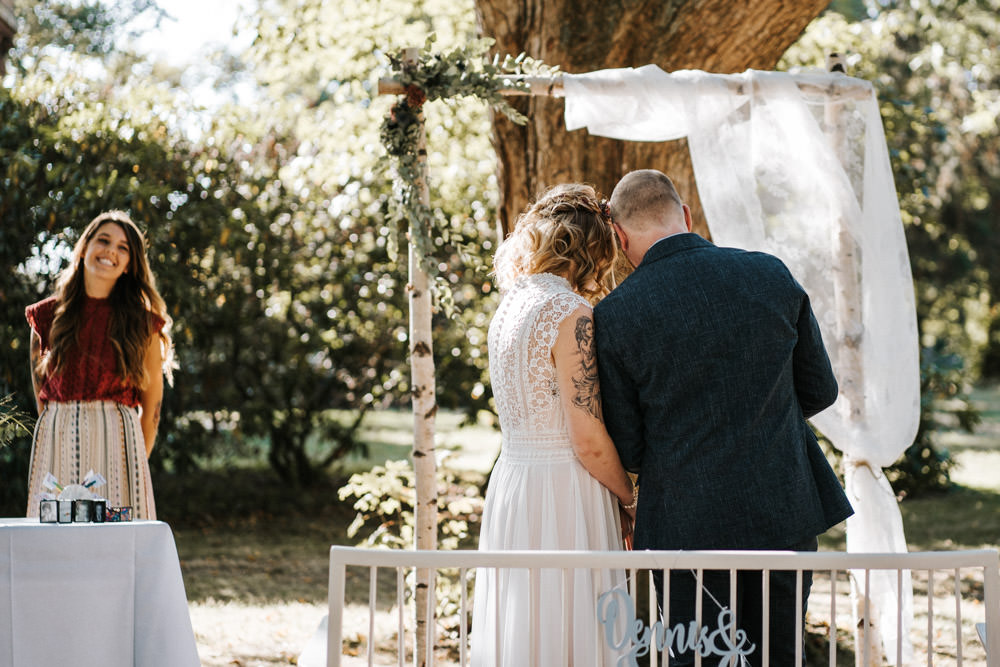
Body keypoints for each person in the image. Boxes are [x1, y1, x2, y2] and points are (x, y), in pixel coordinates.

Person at [594, 169, 854, 665]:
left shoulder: (615, 315)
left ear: (619, 235)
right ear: (685, 215)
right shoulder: (770, 274)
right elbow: (820, 390)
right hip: (782, 509)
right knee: (779, 653)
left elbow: (628, 444)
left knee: (700, 657)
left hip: (685, 527)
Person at [470, 184, 637, 667]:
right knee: (575, 627)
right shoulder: (572, 314)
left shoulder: (507, 310)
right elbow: (587, 438)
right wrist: (631, 498)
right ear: (592, 251)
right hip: (566, 493)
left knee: (527, 632)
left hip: (514, 484)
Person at [25, 210, 173, 520]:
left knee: (116, 546)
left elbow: (153, 408)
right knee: (57, 542)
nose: (110, 251)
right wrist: (58, 437)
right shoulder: (47, 317)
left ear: (131, 264)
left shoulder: (143, 325)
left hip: (120, 448)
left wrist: (133, 462)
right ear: (83, 249)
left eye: (123, 248)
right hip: (57, 442)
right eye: (103, 241)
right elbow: (42, 393)